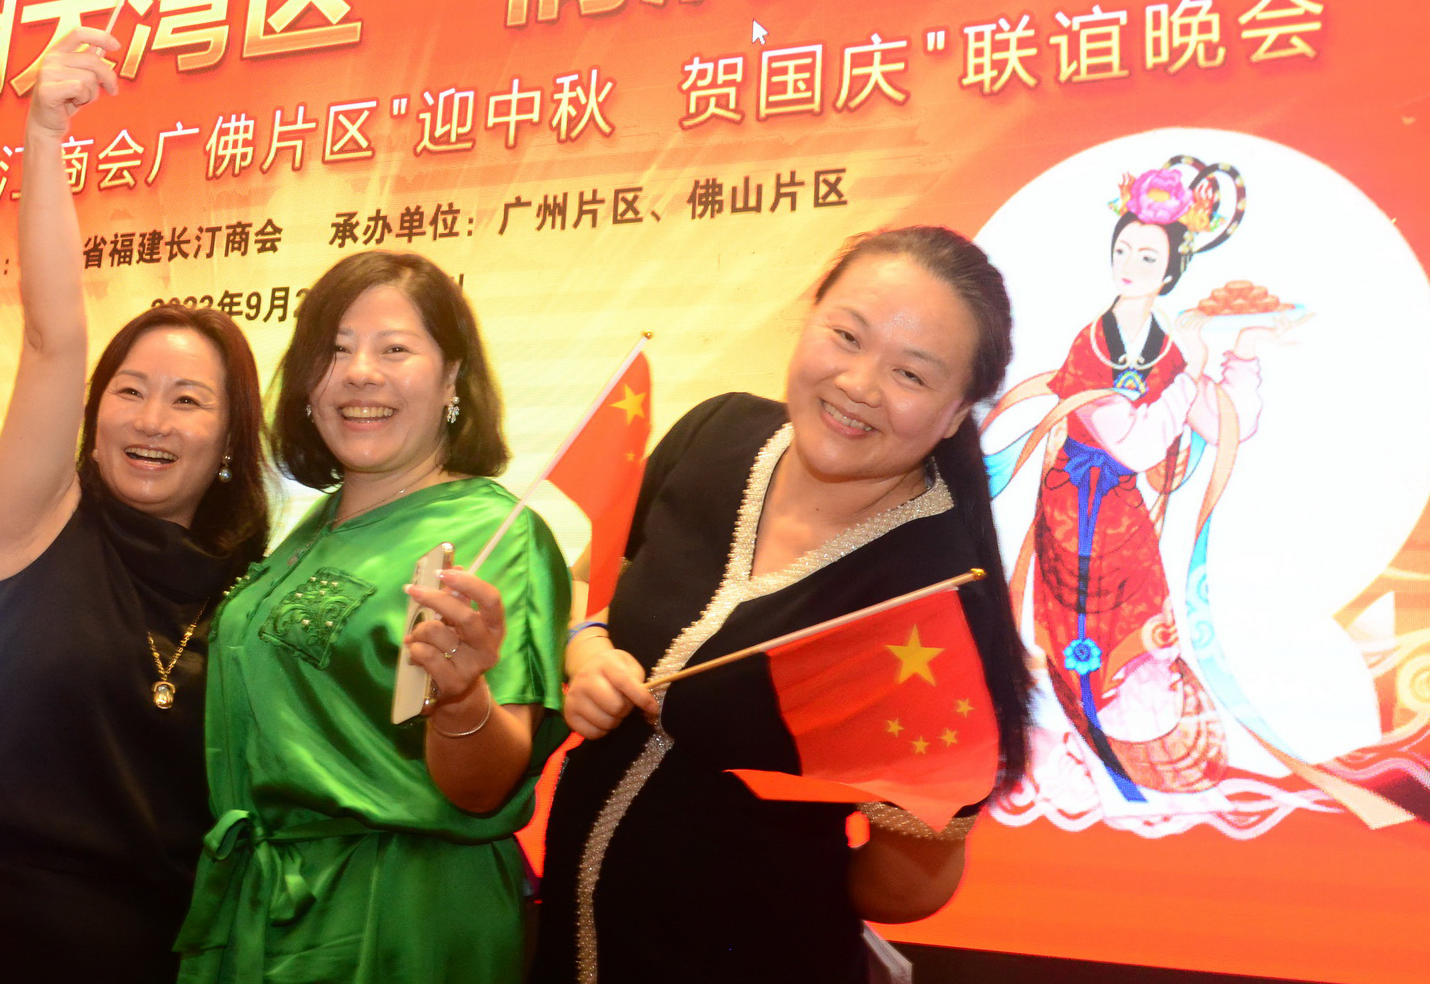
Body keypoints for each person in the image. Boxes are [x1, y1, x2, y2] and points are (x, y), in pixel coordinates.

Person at [533, 226, 1034, 984]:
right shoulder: (714, 432)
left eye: (909, 373)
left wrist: (757, 874)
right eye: (846, 335)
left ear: (958, 410)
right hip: (570, 941)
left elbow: (908, 885)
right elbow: (593, 582)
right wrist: (586, 648)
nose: (859, 384)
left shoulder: (932, 605)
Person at [0, 28, 270, 983]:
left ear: (229, 441)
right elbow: (53, 337)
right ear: (92, 417)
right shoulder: (38, 526)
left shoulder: (250, 597)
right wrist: (45, 135)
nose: (152, 419)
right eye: (130, 390)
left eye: (189, 400)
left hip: (150, 955)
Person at [175, 250, 570, 984]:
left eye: (394, 349)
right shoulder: (308, 529)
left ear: (452, 379)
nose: (359, 372)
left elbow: (484, 789)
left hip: (401, 912)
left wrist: (461, 699)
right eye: (335, 349)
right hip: (268, 906)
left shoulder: (493, 534)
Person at [992, 156, 1281, 798]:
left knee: (1145, 641)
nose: (1131, 265)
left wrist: (1242, 357)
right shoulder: (1091, 344)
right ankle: (1077, 755)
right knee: (1084, 644)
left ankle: (1137, 759)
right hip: (1077, 513)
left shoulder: (1169, 345)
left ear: (1171, 270)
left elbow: (1223, 425)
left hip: (1124, 517)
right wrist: (1190, 371)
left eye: (1148, 257)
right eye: (1123, 249)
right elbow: (1135, 444)